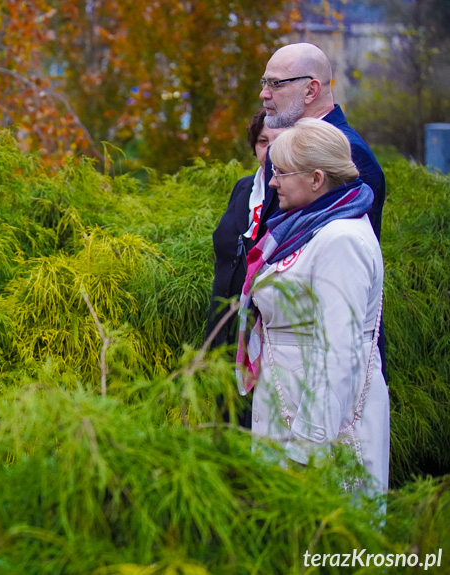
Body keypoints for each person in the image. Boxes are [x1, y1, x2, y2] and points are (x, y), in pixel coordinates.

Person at [236, 119, 389, 492]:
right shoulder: (303, 227)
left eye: (282, 173)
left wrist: (306, 448)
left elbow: (339, 350)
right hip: (288, 404)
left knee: (325, 541)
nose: (272, 183)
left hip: (318, 429)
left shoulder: (341, 240)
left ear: (317, 179)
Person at [257, 41, 388, 382]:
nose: (264, 94)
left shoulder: (348, 154)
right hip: (283, 346)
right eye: (264, 83)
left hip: (324, 358)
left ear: (311, 88)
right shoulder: (287, 149)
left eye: (275, 83)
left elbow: (348, 266)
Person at [206, 109, 284, 349]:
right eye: (263, 141)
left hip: (263, 333)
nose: (270, 150)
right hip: (221, 324)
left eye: (280, 142)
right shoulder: (244, 187)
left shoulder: (292, 196)